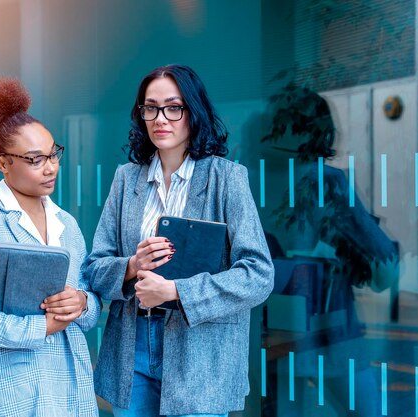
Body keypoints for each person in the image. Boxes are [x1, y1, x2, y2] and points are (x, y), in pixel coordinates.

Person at [84, 64, 275, 417]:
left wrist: (176, 293)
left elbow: (258, 275)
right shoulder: (126, 179)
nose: (161, 118)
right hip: (133, 346)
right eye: (150, 107)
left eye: (174, 107)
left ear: (193, 111)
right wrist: (131, 266)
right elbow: (94, 268)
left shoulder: (227, 178)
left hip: (199, 351)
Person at [0, 77, 101, 417]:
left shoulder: (66, 224)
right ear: (2, 163)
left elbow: (91, 309)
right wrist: (35, 328)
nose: (51, 167)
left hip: (70, 391)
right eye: (35, 159)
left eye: (53, 153)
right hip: (10, 395)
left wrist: (83, 303)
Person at [261, 85, 399, 416]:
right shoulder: (327, 183)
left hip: (280, 337)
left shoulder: (256, 180)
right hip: (330, 333)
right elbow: (386, 269)